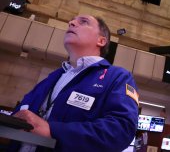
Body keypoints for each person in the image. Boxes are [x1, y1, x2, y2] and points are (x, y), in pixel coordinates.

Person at [11, 15, 139, 151]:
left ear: (101, 41)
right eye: (71, 20)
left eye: (83, 22)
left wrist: (53, 130)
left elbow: (121, 129)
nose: (71, 23)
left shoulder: (117, 77)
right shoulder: (53, 77)